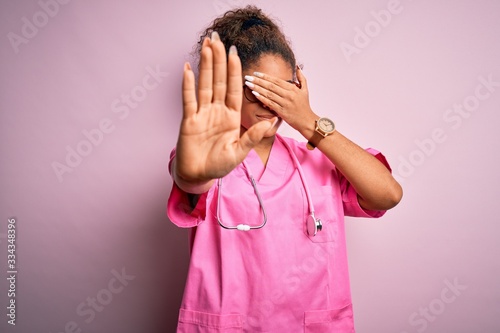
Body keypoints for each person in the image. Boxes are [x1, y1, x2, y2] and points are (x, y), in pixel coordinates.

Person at [167, 5, 402, 332]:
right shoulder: (205, 157)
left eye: (282, 91)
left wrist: (309, 122)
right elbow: (191, 179)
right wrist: (194, 174)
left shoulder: (319, 157)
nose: (270, 104)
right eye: (257, 90)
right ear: (228, 90)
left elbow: (387, 195)